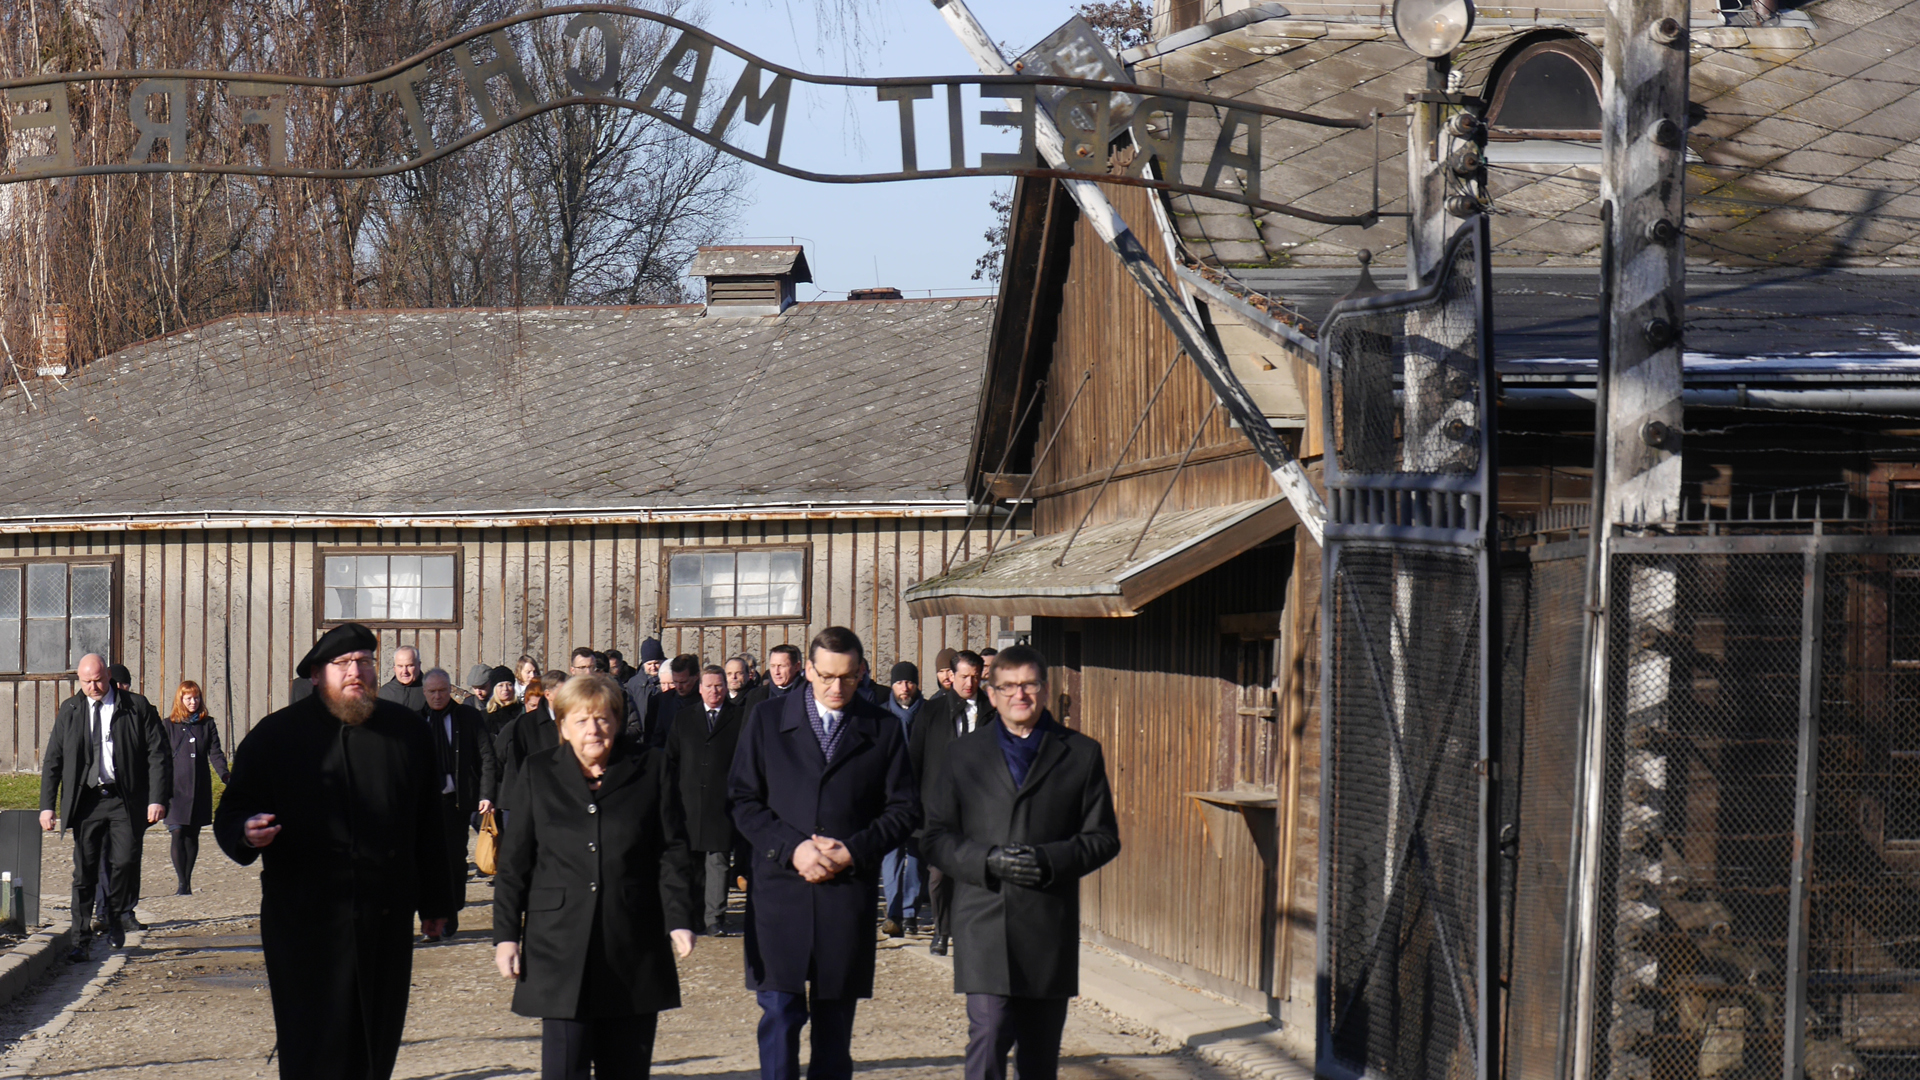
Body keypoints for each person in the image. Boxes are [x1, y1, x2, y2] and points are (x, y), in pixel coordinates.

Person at [212, 622, 455, 1080]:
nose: (356, 671)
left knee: (375, 1041)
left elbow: (429, 824)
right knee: (312, 1046)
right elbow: (234, 809)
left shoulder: (408, 733)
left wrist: (437, 903)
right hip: (304, 923)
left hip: (384, 919)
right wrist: (246, 831)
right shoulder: (275, 736)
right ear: (317, 675)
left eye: (364, 661)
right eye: (343, 664)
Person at [922, 645, 1121, 1080]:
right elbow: (936, 837)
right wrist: (986, 859)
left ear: (1046, 690)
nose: (1020, 695)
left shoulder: (1080, 754)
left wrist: (1048, 859)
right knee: (989, 1035)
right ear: (992, 694)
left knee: (1039, 1055)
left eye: (1029, 685)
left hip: (1048, 923)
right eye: (1008, 686)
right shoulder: (963, 754)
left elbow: (1104, 838)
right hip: (983, 918)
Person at [728, 626, 917, 1080]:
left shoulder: (883, 728)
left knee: (835, 1026)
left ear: (862, 673)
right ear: (807, 669)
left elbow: (904, 810)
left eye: (849, 678)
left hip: (844, 894)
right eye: (828, 676)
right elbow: (741, 799)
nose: (837, 688)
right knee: (779, 1015)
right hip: (779, 891)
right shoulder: (767, 719)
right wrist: (792, 849)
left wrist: (853, 850)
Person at [493, 673, 697, 1080]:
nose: (593, 729)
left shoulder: (651, 767)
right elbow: (515, 862)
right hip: (558, 945)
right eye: (582, 720)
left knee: (625, 1069)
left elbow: (672, 851)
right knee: (563, 1069)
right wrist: (505, 936)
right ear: (563, 726)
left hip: (632, 941)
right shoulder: (538, 772)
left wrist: (679, 919)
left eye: (603, 719)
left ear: (617, 722)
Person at [39, 653, 170, 958]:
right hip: (87, 801)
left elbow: (158, 755)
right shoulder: (70, 710)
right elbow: (53, 760)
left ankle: (117, 918)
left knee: (124, 862)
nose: (93, 686)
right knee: (84, 873)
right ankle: (80, 941)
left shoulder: (136, 708)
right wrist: (47, 805)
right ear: (79, 681)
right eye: (86, 682)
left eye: (98, 680)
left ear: (109, 676)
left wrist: (156, 798)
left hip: (125, 799)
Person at [910, 650, 993, 956]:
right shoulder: (931, 712)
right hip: (940, 805)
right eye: (963, 676)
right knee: (939, 873)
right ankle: (942, 931)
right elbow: (915, 759)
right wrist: (913, 804)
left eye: (974, 676)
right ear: (951, 676)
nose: (968, 682)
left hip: (980, 807)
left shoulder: (992, 711)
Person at [667, 665, 746, 937]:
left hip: (721, 802)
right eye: (709, 686)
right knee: (691, 863)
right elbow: (671, 759)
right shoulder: (683, 718)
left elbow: (746, 761)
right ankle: (692, 917)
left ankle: (715, 918)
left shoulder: (740, 717)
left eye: (719, 686)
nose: (714, 691)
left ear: (726, 688)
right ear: (700, 688)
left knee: (718, 861)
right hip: (688, 802)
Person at [422, 669, 497, 938]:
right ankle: (432, 916)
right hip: (426, 803)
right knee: (429, 862)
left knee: (454, 859)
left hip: (458, 800)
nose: (438, 696)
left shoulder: (468, 717)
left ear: (450, 690)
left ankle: (451, 910)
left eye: (442, 690)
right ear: (424, 693)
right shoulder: (418, 720)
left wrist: (486, 794)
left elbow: (486, 757)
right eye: (432, 692)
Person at [163, 680, 230, 896]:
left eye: (196, 697)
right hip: (175, 788)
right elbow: (159, 757)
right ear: (180, 700)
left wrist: (226, 775)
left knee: (192, 835)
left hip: (199, 787)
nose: (193, 702)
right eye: (189, 698)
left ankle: (187, 883)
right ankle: (181, 883)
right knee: (177, 832)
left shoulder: (207, 724)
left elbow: (216, 753)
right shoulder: (168, 725)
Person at [881, 662, 926, 937]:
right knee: (891, 856)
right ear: (892, 686)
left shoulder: (929, 714)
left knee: (917, 857)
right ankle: (894, 911)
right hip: (890, 799)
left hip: (922, 796)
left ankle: (910, 912)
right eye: (899, 683)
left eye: (909, 682)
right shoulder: (883, 716)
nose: (904, 688)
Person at [643, 655, 699, 749]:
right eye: (675, 682)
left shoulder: (705, 700)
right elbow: (658, 737)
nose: (679, 687)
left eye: (683, 682)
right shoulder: (665, 700)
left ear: (696, 677)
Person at [743, 645, 802, 710]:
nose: (776, 672)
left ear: (796, 666)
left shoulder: (809, 694)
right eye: (773, 666)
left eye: (782, 666)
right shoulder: (755, 696)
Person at [379, 646, 427, 713]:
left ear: (419, 665)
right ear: (394, 668)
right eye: (400, 666)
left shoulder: (431, 691)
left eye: (409, 665)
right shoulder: (384, 693)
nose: (404, 671)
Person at [484, 667, 524, 739]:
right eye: (500, 685)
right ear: (494, 689)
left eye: (509, 684)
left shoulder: (522, 710)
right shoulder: (486, 715)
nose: (505, 689)